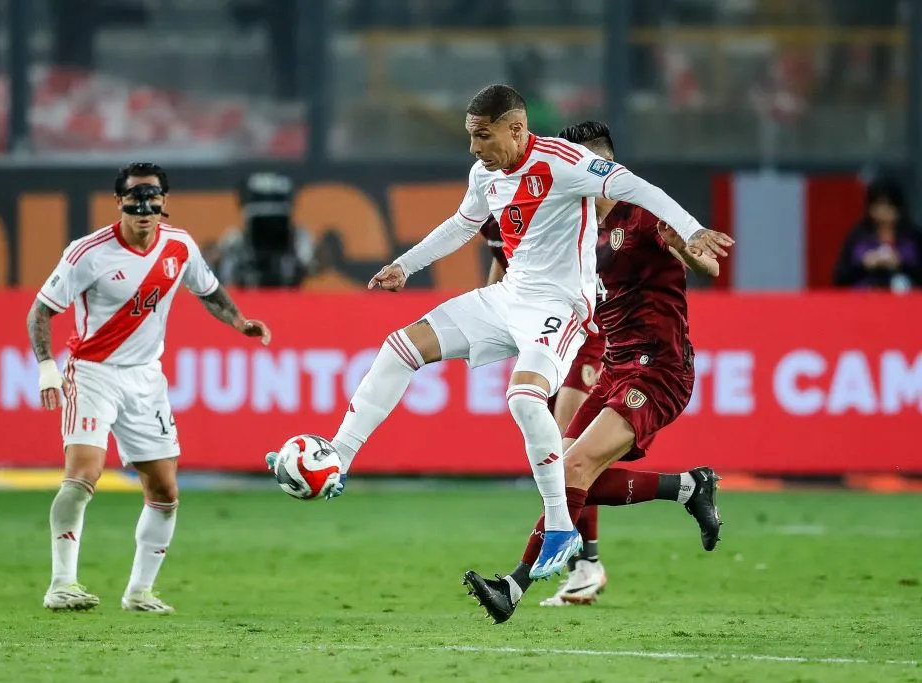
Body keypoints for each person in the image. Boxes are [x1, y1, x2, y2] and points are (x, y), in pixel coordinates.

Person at [267, 86, 731, 576]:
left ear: (515, 129)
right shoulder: (484, 174)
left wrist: (693, 228)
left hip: (560, 305)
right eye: (470, 136)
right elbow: (462, 225)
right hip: (509, 297)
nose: (473, 148)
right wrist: (405, 265)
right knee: (401, 346)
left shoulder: (563, 161)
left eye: (482, 136)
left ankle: (559, 528)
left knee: (525, 399)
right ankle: (339, 454)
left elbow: (637, 187)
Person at [463, 121, 726, 623]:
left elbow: (708, 268)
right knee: (559, 470)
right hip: (614, 366)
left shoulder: (643, 216)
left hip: (658, 369)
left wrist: (686, 242)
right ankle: (689, 487)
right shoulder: (578, 223)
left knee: (572, 470)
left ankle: (515, 586)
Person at [28, 162, 272, 613]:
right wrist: (46, 367)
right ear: (118, 202)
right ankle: (62, 583)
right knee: (82, 475)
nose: (144, 208)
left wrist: (240, 321)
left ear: (164, 202)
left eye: (152, 199)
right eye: (135, 199)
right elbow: (41, 311)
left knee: (164, 491)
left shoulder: (178, 246)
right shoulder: (88, 253)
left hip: (146, 379)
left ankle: (139, 591)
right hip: (93, 372)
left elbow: (210, 290)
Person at [481, 212, 607, 605]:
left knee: (565, 454)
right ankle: (683, 487)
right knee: (560, 457)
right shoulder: (493, 219)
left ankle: (588, 563)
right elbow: (499, 278)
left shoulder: (555, 204)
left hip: (582, 334)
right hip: (540, 342)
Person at [832, 178, 922, 292]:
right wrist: (865, 265)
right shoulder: (857, 237)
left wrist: (900, 264)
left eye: (888, 206)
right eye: (878, 206)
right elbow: (839, 279)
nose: (883, 212)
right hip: (864, 301)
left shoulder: (914, 236)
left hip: (908, 301)